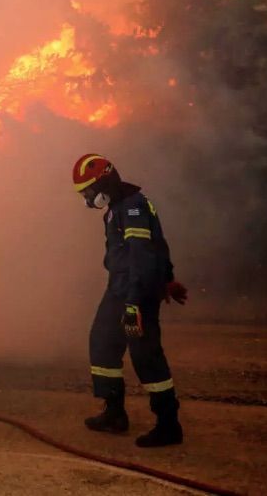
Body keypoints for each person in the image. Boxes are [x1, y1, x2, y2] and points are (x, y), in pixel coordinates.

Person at [72, 154, 188, 447]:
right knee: (102, 342)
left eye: (88, 190)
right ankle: (113, 413)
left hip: (137, 292)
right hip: (119, 289)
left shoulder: (133, 206)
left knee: (146, 355)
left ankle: (168, 424)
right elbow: (159, 245)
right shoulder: (117, 208)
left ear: (104, 182)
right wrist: (169, 278)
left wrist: (135, 303)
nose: (87, 198)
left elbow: (142, 254)